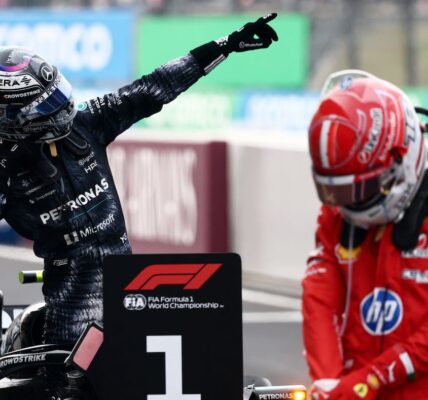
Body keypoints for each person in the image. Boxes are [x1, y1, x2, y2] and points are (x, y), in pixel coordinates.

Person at [0, 14, 278, 348]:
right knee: (71, 375)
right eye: (47, 106)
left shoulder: (87, 123)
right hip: (72, 298)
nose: (62, 110)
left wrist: (225, 46)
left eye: (58, 95)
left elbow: (152, 87)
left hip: (130, 283)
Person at [303, 70, 428, 400]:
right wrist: (328, 383)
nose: (350, 203)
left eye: (363, 189)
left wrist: (369, 380)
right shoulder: (337, 212)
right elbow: (319, 297)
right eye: (339, 192)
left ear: (401, 157)